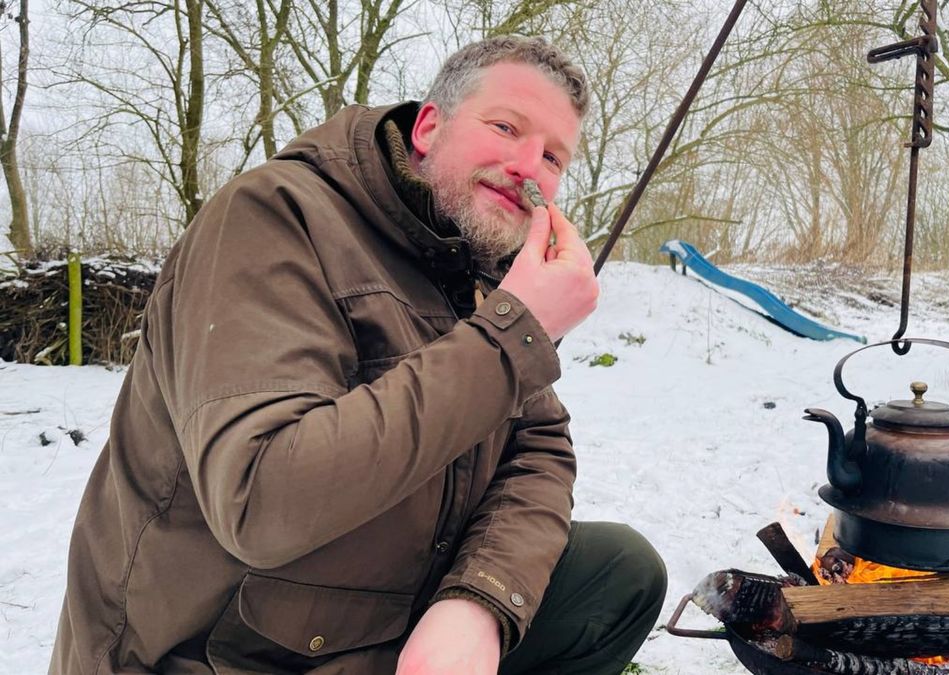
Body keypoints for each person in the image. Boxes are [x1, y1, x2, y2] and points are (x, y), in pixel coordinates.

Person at [51, 35, 667, 675]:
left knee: (618, 573)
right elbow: (260, 499)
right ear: (429, 127)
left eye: (553, 157)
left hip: (389, 623)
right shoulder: (273, 217)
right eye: (506, 127)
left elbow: (539, 446)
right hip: (224, 650)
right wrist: (514, 336)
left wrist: (479, 599)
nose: (528, 167)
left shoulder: (482, 268)